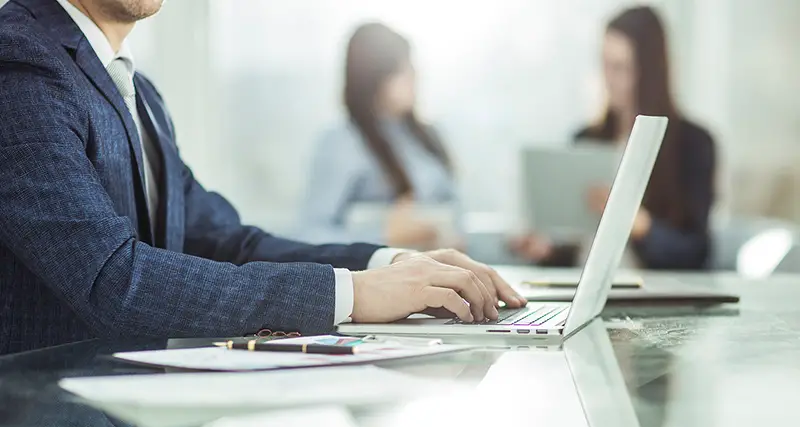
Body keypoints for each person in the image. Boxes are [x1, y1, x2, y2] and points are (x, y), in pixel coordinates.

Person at [0, 0, 526, 355]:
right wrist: (351, 294)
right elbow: (112, 281)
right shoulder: (20, 59)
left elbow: (225, 242)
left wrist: (390, 264)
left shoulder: (141, 95)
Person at [512, 6, 716, 270]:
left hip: (653, 294)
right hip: (580, 287)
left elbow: (695, 253)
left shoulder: (693, 144)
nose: (609, 79)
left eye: (620, 67)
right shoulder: (586, 139)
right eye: (605, 65)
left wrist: (638, 224)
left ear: (648, 70)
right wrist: (547, 250)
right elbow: (578, 245)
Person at [297, 23, 460, 250]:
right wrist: (381, 237)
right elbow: (310, 234)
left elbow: (457, 217)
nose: (415, 75)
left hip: (445, 269)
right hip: (390, 274)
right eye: (402, 68)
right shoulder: (341, 142)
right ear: (374, 77)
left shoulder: (427, 136)